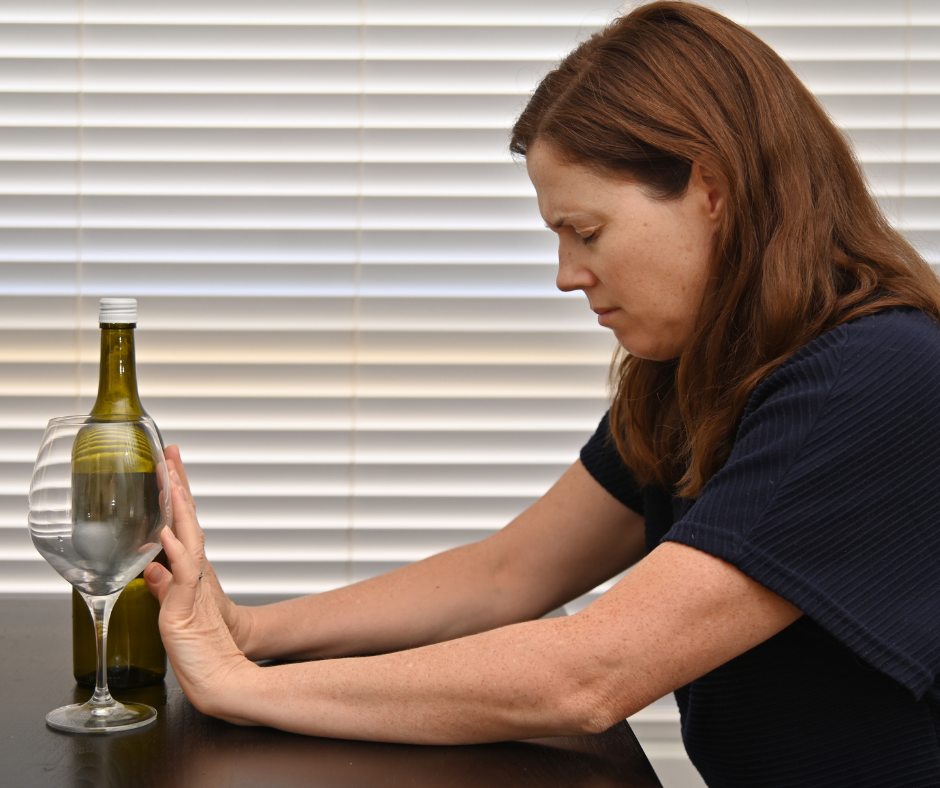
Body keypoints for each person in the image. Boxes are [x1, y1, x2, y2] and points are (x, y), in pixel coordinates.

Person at [143, 3, 940, 786]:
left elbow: (591, 673)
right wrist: (248, 631)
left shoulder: (871, 379)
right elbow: (509, 574)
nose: (567, 275)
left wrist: (245, 687)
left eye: (586, 232)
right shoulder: (698, 372)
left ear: (714, 188)